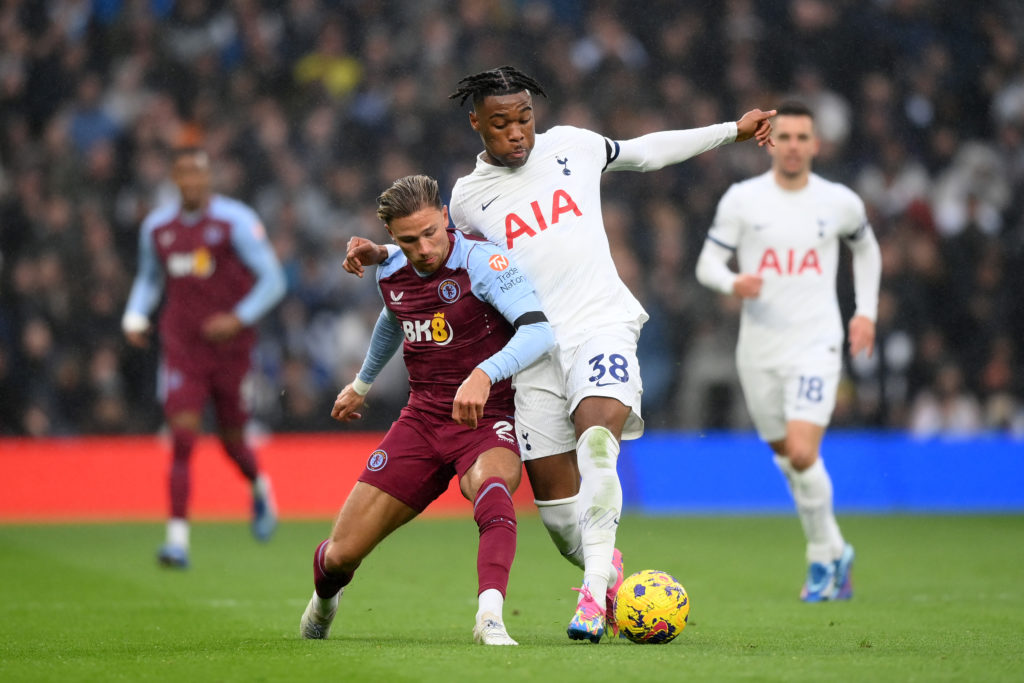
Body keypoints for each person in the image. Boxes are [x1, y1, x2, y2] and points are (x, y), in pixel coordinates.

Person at [343, 65, 775, 642]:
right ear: (477, 125)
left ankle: (594, 599)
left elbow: (645, 152)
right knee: (559, 518)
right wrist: (379, 251)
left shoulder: (572, 146)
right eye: (501, 124)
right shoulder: (468, 199)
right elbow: (438, 253)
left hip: (601, 324)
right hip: (534, 350)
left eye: (524, 118)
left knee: (599, 443)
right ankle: (606, 567)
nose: (517, 132)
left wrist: (732, 131)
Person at [299, 175, 555, 645]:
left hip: (484, 420)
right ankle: (324, 600)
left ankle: (490, 618)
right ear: (393, 238)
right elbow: (392, 318)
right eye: (408, 240)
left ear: (444, 216)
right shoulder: (392, 270)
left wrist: (484, 374)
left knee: (493, 488)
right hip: (420, 422)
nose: (423, 248)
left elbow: (539, 331)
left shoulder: (484, 262)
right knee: (340, 556)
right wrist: (362, 384)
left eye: (430, 233)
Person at [695, 101, 882, 602]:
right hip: (758, 350)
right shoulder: (743, 200)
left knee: (803, 450)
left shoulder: (839, 202)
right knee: (786, 456)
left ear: (816, 144)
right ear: (770, 141)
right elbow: (707, 264)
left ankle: (821, 556)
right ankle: (836, 548)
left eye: (804, 137)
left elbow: (866, 248)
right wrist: (735, 281)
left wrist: (865, 312)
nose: (795, 145)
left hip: (816, 343)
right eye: (786, 136)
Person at [122, 147, 287, 569]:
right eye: (183, 173)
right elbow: (148, 278)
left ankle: (260, 487)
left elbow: (273, 279)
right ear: (175, 178)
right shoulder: (157, 228)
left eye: (198, 173)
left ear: (209, 177)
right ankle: (177, 540)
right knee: (182, 438)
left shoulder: (235, 222)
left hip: (231, 351)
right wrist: (135, 315)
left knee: (233, 442)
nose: (191, 181)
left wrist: (238, 318)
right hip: (182, 348)